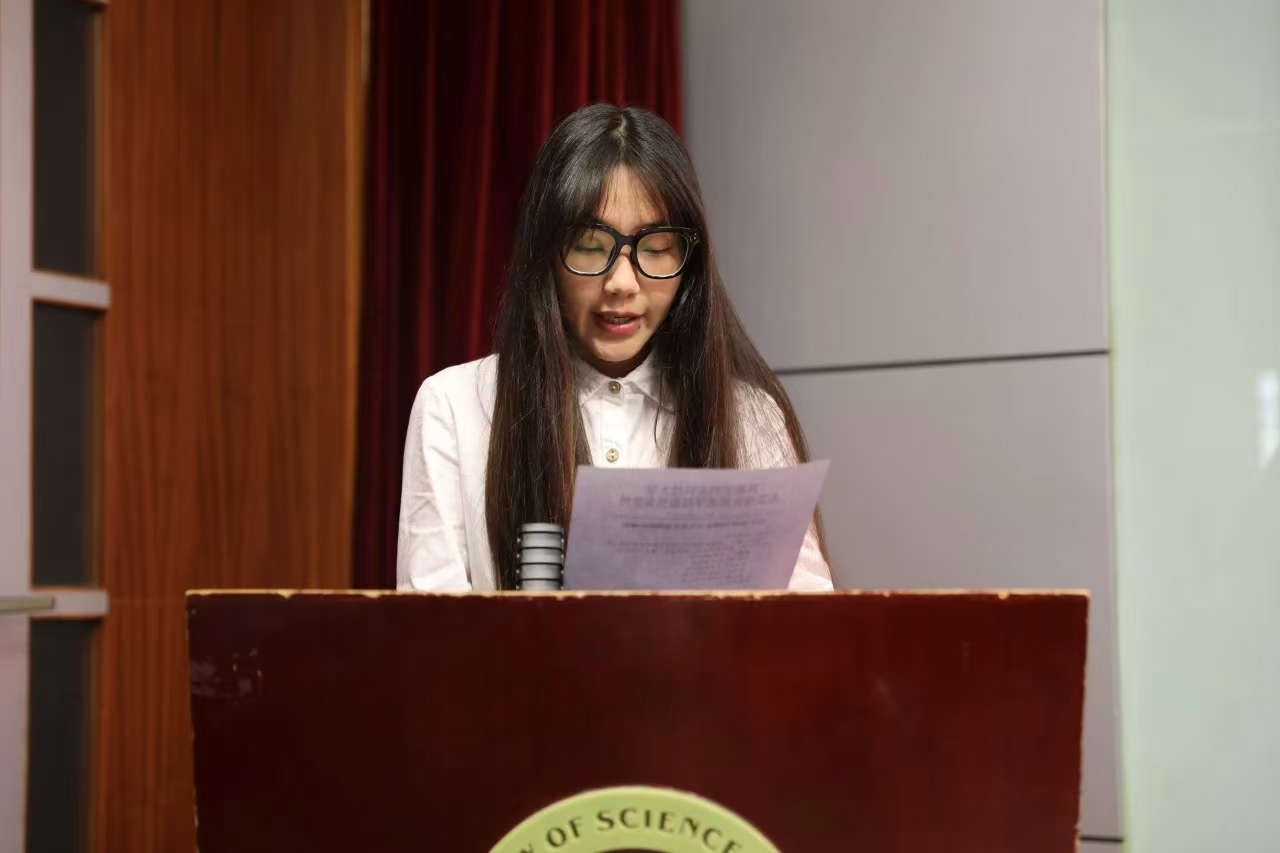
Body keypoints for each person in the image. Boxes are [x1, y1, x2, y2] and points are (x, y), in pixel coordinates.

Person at [397, 103, 832, 592]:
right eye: (590, 245)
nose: (622, 283)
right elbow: (431, 627)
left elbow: (807, 619)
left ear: (689, 261)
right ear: (546, 254)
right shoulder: (454, 407)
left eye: (656, 247)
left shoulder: (748, 415)